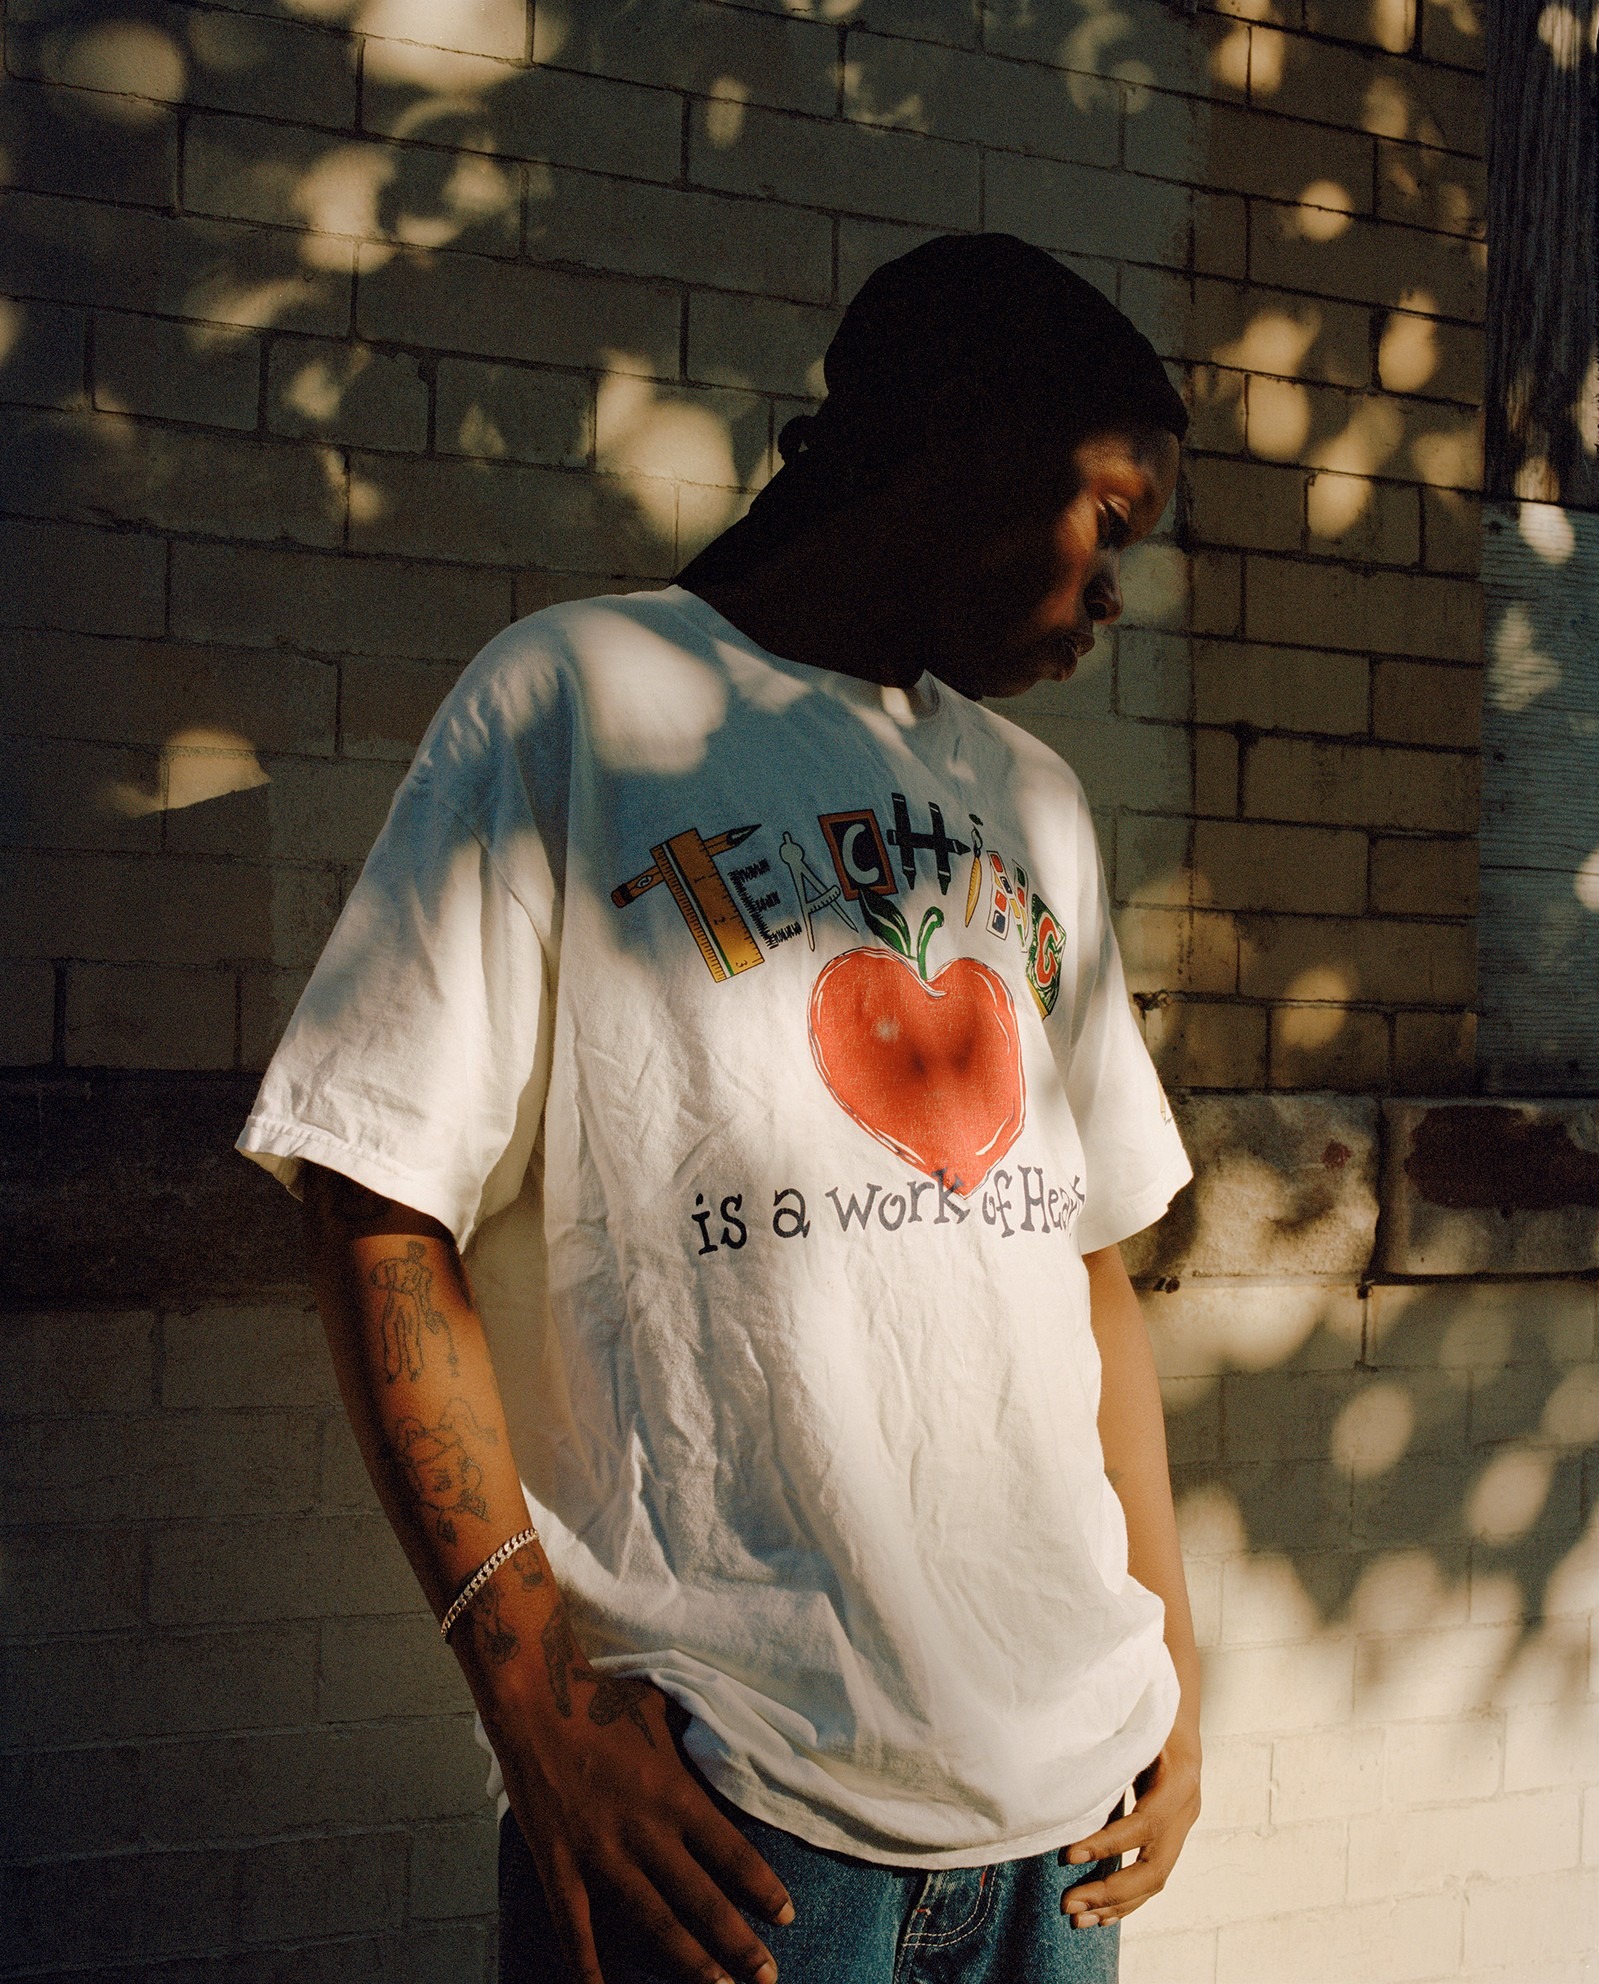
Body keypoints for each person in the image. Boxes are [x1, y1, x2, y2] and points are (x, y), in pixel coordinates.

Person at [238, 232, 1202, 1984]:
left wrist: (1176, 1660)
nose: (1115, 590)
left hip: (1066, 1826)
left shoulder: (1039, 809)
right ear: (961, 454)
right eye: (1108, 521)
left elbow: (1090, 1266)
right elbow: (372, 1195)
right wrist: (529, 1693)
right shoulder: (577, 704)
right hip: (734, 1829)